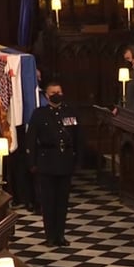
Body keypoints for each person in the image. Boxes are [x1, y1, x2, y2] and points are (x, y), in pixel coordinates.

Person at [26, 81, 80, 247]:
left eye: (59, 91)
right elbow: (31, 140)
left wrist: (77, 161)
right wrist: (32, 163)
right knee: (48, 202)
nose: (57, 94)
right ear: (47, 95)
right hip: (47, 162)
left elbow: (77, 137)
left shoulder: (69, 111)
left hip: (64, 161)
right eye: (53, 92)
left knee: (62, 202)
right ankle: (50, 236)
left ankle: (60, 235)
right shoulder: (39, 114)